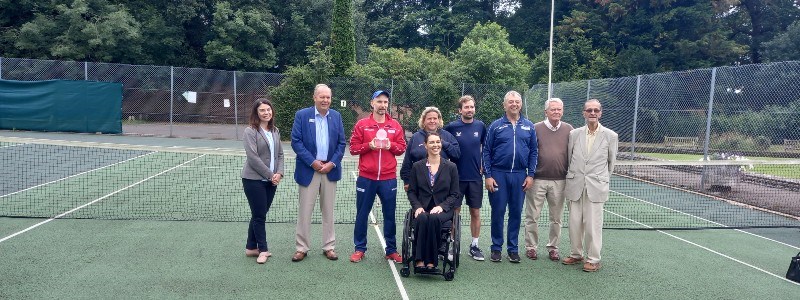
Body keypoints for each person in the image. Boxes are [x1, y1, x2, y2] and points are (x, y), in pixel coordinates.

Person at [290, 84, 346, 262]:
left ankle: (329, 247)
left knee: (328, 212)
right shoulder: (302, 115)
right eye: (322, 97)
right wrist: (313, 162)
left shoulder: (336, 116)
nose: (325, 100)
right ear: (314, 98)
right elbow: (296, 141)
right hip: (309, 170)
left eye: (328, 97)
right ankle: (302, 248)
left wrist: (332, 163)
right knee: (305, 212)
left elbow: (341, 144)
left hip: (329, 171)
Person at [349, 90, 407, 263]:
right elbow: (353, 149)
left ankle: (391, 249)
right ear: (372, 103)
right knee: (362, 214)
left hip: (388, 178)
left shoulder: (395, 125)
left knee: (389, 215)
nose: (382, 105)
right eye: (379, 101)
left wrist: (391, 146)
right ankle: (359, 248)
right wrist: (369, 146)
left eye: (385, 102)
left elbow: (402, 148)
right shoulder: (362, 124)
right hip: (366, 178)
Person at [562, 99, 618, 272]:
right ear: (583, 113)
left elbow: (611, 164)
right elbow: (569, 158)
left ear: (600, 113)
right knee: (574, 223)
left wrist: (600, 180)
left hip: (596, 187)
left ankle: (593, 259)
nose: (592, 113)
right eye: (589, 110)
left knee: (593, 225)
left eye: (595, 110)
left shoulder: (611, 136)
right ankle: (576, 254)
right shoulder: (574, 134)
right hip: (575, 184)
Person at [482, 91, 538, 263]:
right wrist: (488, 175)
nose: (514, 104)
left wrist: (530, 174)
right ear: (504, 105)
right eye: (511, 102)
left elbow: (534, 152)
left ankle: (513, 249)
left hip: (520, 175)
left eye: (517, 102)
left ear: (521, 104)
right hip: (499, 174)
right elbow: (486, 151)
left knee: (516, 212)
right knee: (498, 212)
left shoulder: (529, 126)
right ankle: (496, 248)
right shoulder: (496, 126)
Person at [523, 98, 574, 261]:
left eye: (559, 109)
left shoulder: (569, 130)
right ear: (546, 112)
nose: (556, 112)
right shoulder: (535, 128)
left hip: (560, 181)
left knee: (556, 218)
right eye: (553, 109)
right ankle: (531, 247)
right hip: (537, 180)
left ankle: (553, 247)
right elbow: (530, 152)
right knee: (532, 216)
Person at [407, 132, 460, 271]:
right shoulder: (417, 166)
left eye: (438, 142)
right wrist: (417, 207)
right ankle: (419, 260)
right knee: (423, 218)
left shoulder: (451, 167)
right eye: (431, 142)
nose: (435, 145)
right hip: (423, 207)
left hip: (443, 210)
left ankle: (431, 261)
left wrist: (442, 206)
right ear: (425, 145)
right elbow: (411, 191)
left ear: (441, 144)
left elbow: (455, 194)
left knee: (434, 218)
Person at [443, 95, 487, 261]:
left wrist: (483, 164)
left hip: (475, 178)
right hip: (456, 179)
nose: (470, 110)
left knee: (475, 211)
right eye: (466, 107)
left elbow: (487, 148)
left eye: (472, 107)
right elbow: (442, 147)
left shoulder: (481, 126)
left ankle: (474, 245)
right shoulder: (452, 127)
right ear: (460, 110)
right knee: (455, 212)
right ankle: (452, 245)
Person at [241, 98, 285, 264]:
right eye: (262, 110)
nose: (266, 113)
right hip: (253, 180)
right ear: (256, 113)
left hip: (271, 181)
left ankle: (251, 247)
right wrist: (270, 174)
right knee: (260, 216)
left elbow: (280, 154)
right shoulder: (250, 131)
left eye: (268, 109)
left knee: (259, 214)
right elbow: (253, 158)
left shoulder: (275, 131)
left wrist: (279, 173)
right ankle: (263, 250)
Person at [400, 106, 460, 192]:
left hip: (442, 183)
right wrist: (407, 181)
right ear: (424, 120)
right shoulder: (415, 137)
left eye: (435, 118)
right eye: (429, 118)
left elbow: (456, 154)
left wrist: (442, 143)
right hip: (419, 183)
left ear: (439, 120)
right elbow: (407, 161)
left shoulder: (447, 136)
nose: (432, 121)